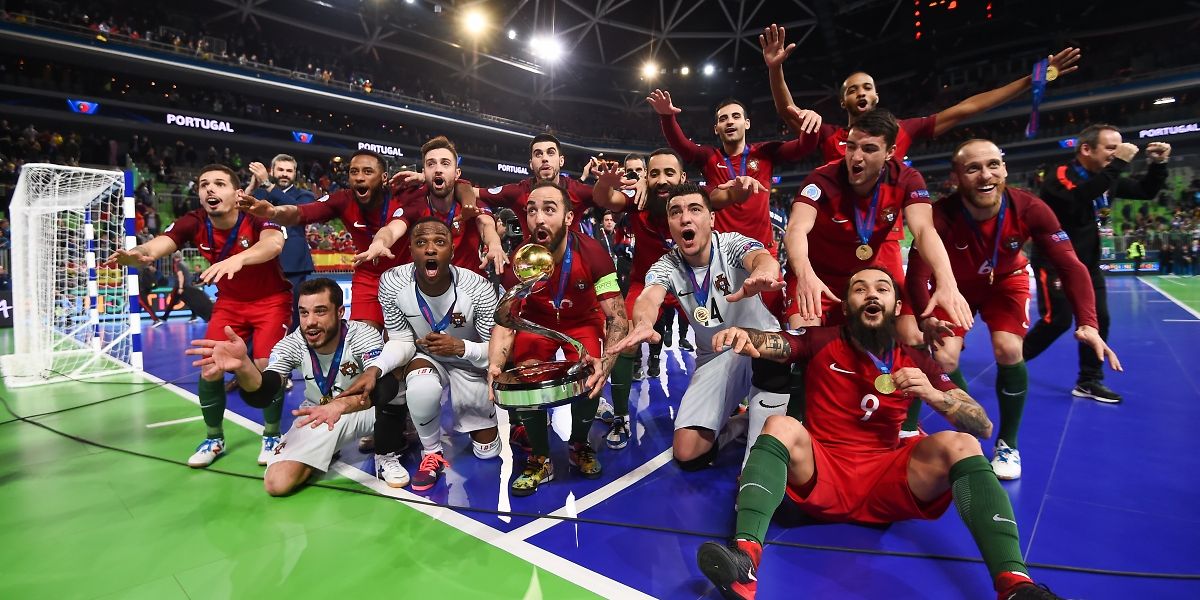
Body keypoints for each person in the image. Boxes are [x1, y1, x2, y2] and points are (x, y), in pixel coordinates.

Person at [696, 267, 1063, 600]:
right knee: (781, 426)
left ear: (896, 303)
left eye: (882, 288)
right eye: (859, 288)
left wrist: (932, 394)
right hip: (824, 474)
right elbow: (775, 342)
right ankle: (745, 560)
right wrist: (745, 335)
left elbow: (982, 426)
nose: (871, 294)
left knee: (962, 443)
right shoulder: (822, 340)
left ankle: (1015, 585)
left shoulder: (917, 359)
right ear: (847, 303)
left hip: (888, 483)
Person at [762, 23, 1080, 341]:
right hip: (831, 239)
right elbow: (788, 112)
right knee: (815, 337)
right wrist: (776, 70)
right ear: (843, 101)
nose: (861, 92)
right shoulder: (828, 135)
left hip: (881, 241)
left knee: (909, 336)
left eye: (867, 87)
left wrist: (1032, 80)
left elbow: (968, 108)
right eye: (852, 89)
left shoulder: (903, 132)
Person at [903, 139, 1121, 479]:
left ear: (1004, 169)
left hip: (1006, 281)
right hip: (954, 288)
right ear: (956, 177)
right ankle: (967, 419)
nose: (985, 175)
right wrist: (925, 317)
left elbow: (1071, 266)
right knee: (944, 358)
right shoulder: (941, 215)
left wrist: (1088, 322)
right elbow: (916, 274)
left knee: (1008, 349)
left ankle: (1008, 442)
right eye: (973, 168)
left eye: (993, 165)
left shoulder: (1030, 208)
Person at [109, 164, 291, 468]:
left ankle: (272, 435)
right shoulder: (193, 221)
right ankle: (214, 437)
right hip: (230, 304)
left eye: (219, 184)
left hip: (271, 301)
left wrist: (239, 259)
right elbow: (156, 246)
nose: (209, 189)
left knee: (264, 365)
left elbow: (273, 244)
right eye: (204, 184)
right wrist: (140, 253)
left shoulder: (256, 214)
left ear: (237, 193)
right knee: (210, 367)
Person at [591, 151, 766, 448]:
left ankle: (738, 398)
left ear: (683, 178)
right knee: (628, 335)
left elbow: (728, 197)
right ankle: (620, 415)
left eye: (669, 173)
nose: (662, 180)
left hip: (695, 280)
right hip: (651, 281)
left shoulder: (694, 199)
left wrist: (742, 186)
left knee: (727, 333)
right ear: (646, 177)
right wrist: (606, 183)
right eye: (655, 173)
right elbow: (605, 198)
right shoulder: (638, 200)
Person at [608, 182, 789, 469]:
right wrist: (642, 322)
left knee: (778, 438)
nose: (685, 218)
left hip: (760, 347)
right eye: (676, 212)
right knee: (687, 452)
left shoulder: (729, 245)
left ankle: (767, 416)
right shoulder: (666, 265)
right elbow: (649, 296)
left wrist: (763, 273)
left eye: (695, 209)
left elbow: (761, 258)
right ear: (670, 224)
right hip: (715, 357)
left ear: (711, 218)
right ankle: (742, 422)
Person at [185, 278, 389, 496]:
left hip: (366, 408)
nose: (310, 321)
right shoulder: (291, 344)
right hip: (318, 411)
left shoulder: (362, 335)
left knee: (398, 401)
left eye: (320, 311)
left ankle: (396, 434)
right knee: (276, 483)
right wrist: (245, 367)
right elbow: (265, 392)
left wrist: (341, 405)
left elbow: (384, 389)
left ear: (340, 312)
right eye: (304, 313)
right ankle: (329, 447)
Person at [340, 217, 501, 491]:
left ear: (451, 251)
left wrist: (461, 347)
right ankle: (432, 452)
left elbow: (497, 352)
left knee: (487, 452)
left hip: (469, 359)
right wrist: (375, 369)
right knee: (421, 385)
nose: (429, 249)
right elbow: (401, 341)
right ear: (411, 250)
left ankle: (479, 430)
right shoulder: (392, 282)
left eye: (440, 242)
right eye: (421, 242)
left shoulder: (479, 288)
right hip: (426, 356)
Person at [486, 181, 626, 496]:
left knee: (590, 374)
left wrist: (606, 362)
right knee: (525, 379)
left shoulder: (593, 253)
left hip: (582, 321)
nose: (538, 219)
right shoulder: (518, 262)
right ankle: (540, 457)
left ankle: (579, 444)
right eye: (532, 210)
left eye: (549, 209)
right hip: (537, 324)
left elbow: (617, 316)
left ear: (567, 217)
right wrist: (495, 364)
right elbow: (506, 322)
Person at [783, 109, 972, 333]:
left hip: (865, 282)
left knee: (912, 336)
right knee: (806, 339)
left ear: (890, 152)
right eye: (851, 146)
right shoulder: (821, 179)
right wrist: (805, 275)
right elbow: (796, 229)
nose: (856, 156)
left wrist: (946, 280)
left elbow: (923, 231)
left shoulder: (907, 179)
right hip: (815, 275)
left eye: (869, 149)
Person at [1023, 125, 1170, 403]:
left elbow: (1145, 190)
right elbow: (1077, 199)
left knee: (1099, 320)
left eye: (1119, 147)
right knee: (1058, 321)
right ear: (1086, 149)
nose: (1117, 153)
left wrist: (1158, 164)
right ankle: (1012, 361)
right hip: (1055, 262)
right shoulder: (1060, 175)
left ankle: (1089, 381)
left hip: (1088, 264)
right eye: (1110, 148)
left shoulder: (1106, 179)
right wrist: (1120, 165)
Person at [647, 89, 819, 258]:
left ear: (747, 123)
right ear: (716, 128)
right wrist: (667, 118)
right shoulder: (709, 157)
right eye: (723, 119)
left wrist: (809, 124)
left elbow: (805, 147)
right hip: (723, 255)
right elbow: (682, 145)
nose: (729, 122)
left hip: (763, 251)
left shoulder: (766, 152)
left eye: (736, 116)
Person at [356, 136, 506, 278]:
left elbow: (486, 226)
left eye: (445, 163)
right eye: (431, 164)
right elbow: (391, 229)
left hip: (468, 290)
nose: (438, 169)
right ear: (424, 173)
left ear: (457, 173)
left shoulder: (473, 205)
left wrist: (494, 245)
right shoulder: (416, 207)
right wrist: (378, 243)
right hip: (428, 291)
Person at [473, 134, 624, 236]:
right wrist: (492, 237)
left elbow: (615, 203)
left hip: (571, 269)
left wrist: (640, 184)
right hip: (530, 270)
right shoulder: (517, 191)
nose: (544, 158)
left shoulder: (578, 191)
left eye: (550, 153)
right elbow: (471, 192)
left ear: (561, 160)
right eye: (538, 154)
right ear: (531, 164)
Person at [246, 154, 315, 329]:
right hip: (262, 261)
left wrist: (268, 185)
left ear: (295, 174)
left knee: (294, 311)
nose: (285, 174)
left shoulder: (304, 196)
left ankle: (295, 350)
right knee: (259, 310)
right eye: (281, 170)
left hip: (293, 263)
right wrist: (251, 188)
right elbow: (238, 212)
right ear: (272, 170)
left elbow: (300, 212)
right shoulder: (258, 194)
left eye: (289, 171)